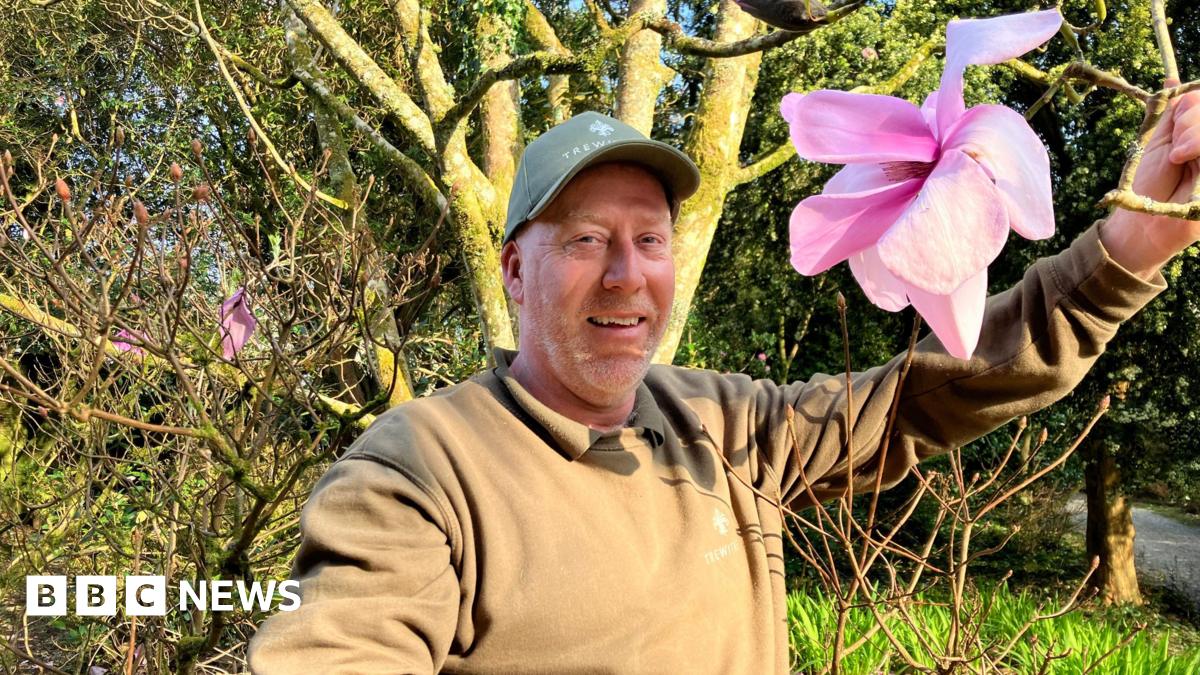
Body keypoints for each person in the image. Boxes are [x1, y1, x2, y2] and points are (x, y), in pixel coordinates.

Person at [248, 89, 1200, 672]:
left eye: (649, 240)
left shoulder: (722, 421)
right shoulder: (416, 473)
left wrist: (1134, 238)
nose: (627, 274)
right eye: (584, 240)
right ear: (512, 269)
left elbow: (936, 390)